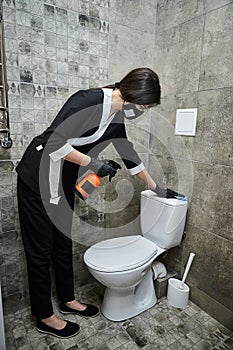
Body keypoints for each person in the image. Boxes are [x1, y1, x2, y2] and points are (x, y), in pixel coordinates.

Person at [16, 67, 183, 338]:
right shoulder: (86, 101)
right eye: (144, 106)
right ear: (132, 95)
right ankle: (45, 316)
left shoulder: (116, 115)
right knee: (40, 249)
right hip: (37, 176)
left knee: (62, 242)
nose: (142, 112)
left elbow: (128, 153)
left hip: (61, 181)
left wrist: (158, 188)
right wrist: (93, 163)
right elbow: (53, 142)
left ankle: (68, 300)